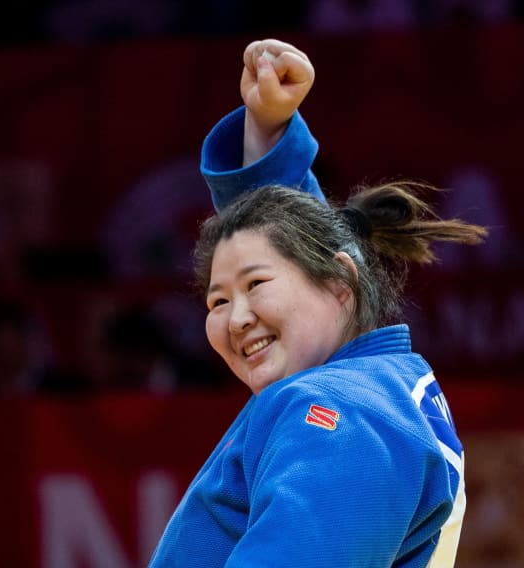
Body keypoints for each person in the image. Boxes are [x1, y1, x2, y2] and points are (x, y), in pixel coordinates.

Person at [149, 39, 487, 567]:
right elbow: (288, 243)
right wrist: (267, 129)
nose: (236, 318)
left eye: (255, 286)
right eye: (217, 301)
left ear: (340, 282)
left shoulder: (344, 412)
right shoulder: (377, 392)